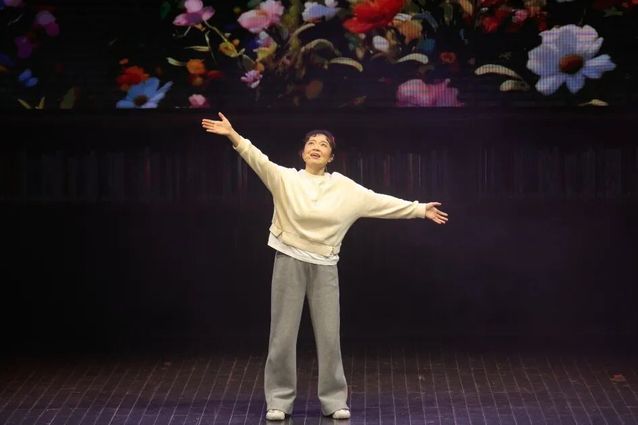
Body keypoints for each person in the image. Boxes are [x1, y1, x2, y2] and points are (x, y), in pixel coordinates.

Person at [201, 113, 449, 421]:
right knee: (282, 335)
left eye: (323, 144)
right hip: (289, 260)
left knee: (329, 337)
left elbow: (380, 202)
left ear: (331, 156)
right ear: (302, 152)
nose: (316, 147)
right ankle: (278, 400)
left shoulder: (345, 188)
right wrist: (232, 134)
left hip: (325, 265)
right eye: (311, 143)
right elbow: (257, 159)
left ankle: (333, 401)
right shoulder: (286, 179)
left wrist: (420, 209)